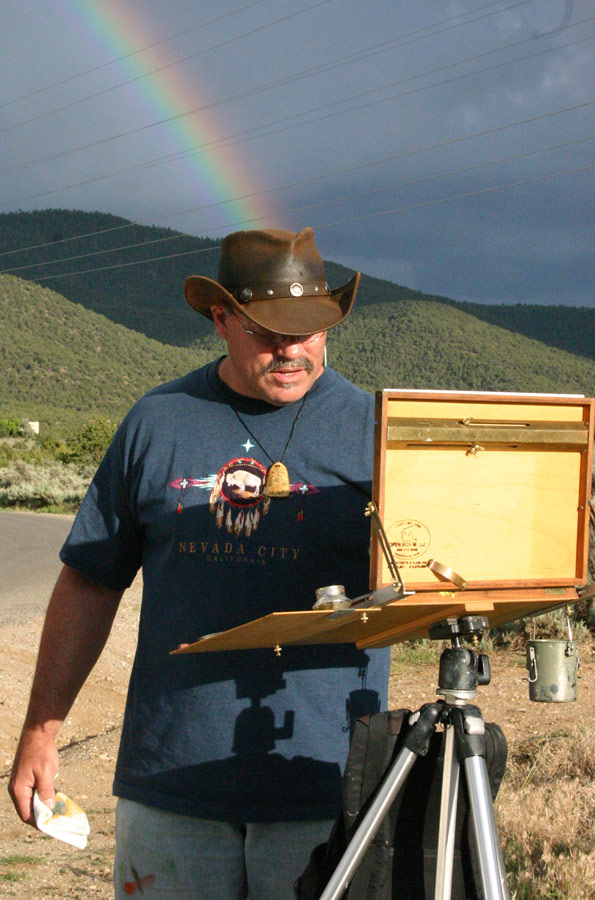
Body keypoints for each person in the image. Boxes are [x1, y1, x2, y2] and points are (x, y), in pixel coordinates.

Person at [9, 226, 390, 900]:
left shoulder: (377, 433)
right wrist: (42, 730)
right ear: (220, 318)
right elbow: (90, 581)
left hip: (324, 790)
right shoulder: (157, 423)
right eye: (269, 331)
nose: (292, 350)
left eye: (310, 329)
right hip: (171, 792)